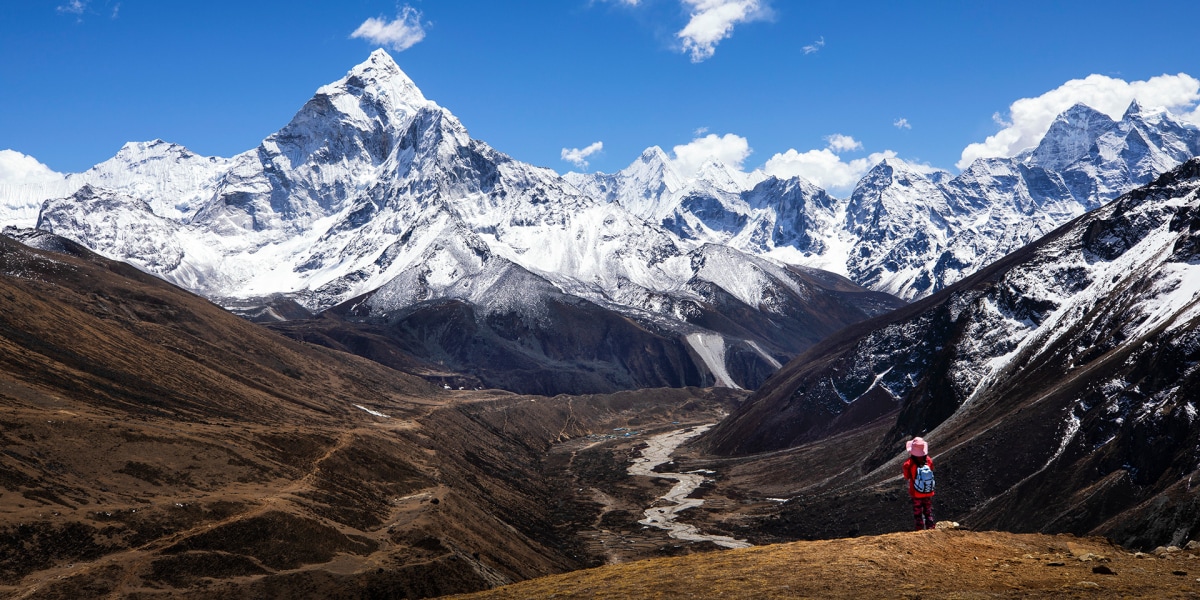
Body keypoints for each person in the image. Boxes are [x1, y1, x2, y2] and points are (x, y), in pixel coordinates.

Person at [902, 436, 935, 531]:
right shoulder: (928, 460)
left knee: (918, 512)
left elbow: (907, 476)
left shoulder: (908, 463)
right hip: (928, 490)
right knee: (928, 511)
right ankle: (931, 528)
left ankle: (919, 529)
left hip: (916, 491)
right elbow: (931, 470)